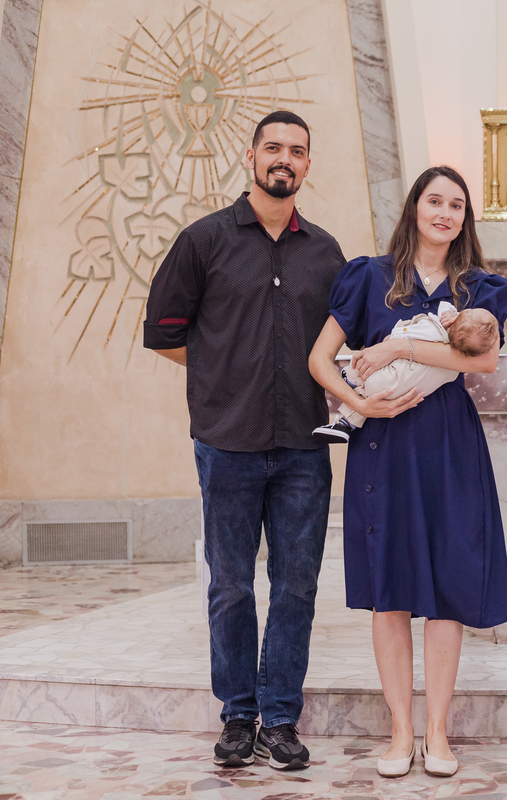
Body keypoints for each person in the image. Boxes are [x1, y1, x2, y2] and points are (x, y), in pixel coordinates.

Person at [144, 110, 345, 771]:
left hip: (302, 448)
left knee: (296, 587)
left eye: (297, 150)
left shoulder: (325, 252)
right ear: (251, 156)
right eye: (273, 147)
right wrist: (220, 380)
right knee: (230, 586)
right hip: (226, 443)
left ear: (308, 165)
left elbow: (342, 343)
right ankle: (237, 716)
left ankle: (280, 717)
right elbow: (166, 333)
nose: (284, 158)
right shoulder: (202, 241)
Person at [307, 165, 507, 779]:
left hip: (450, 446)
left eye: (456, 204)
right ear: (415, 208)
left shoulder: (481, 286)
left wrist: (398, 347)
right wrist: (361, 404)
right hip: (383, 447)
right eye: (434, 201)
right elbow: (320, 357)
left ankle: (438, 733)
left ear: (465, 217)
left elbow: (484, 358)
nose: (444, 213)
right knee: (390, 590)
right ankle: (399, 732)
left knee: (447, 586)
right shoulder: (369, 276)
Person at [312, 303, 500, 443]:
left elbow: (403, 334)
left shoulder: (435, 330)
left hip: (396, 376)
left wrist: (394, 345)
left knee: (372, 376)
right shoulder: (453, 365)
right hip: (408, 390)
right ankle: (347, 423)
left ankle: (352, 382)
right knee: (377, 387)